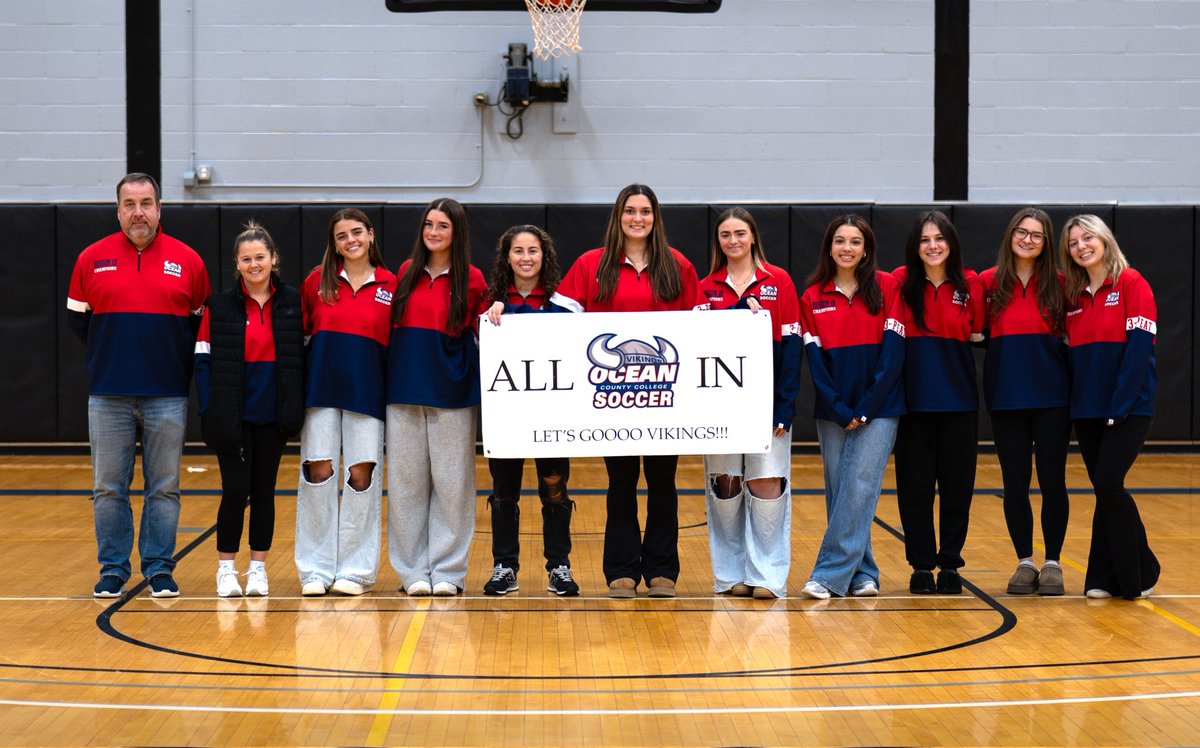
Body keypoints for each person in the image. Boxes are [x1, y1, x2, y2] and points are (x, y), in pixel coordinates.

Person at [66, 173, 211, 598]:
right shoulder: (90, 259)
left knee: (163, 486)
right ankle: (113, 568)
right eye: (129, 204)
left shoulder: (189, 261)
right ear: (118, 210)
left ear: (160, 208)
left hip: (167, 393)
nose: (138, 212)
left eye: (146, 203)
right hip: (108, 393)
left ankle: (159, 568)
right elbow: (79, 320)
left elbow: (198, 322)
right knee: (108, 486)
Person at [556, 183, 701, 599]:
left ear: (656, 218)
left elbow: (702, 328)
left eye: (646, 211)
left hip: (664, 398)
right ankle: (620, 569)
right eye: (630, 211)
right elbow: (556, 321)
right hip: (612, 398)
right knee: (620, 482)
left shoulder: (678, 266)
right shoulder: (591, 265)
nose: (638, 218)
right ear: (618, 216)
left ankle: (661, 571)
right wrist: (502, 312)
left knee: (662, 481)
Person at [694, 208, 802, 600]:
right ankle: (729, 574)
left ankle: (767, 575)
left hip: (767, 407)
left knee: (767, 484)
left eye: (740, 233)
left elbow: (791, 349)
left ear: (753, 236)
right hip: (719, 409)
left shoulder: (780, 282)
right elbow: (697, 347)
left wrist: (784, 407)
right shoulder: (704, 287)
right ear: (718, 241)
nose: (733, 241)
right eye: (725, 234)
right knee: (726, 486)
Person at [194, 222, 304, 598]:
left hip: (273, 414)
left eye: (260, 257)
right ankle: (226, 568)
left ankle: (258, 569)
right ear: (237, 264)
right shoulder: (219, 306)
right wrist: (211, 409)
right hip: (232, 415)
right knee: (235, 490)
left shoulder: (292, 302)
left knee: (264, 491)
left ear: (273, 260)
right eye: (246, 259)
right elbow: (203, 359)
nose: (254, 264)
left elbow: (301, 355)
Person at [798, 214, 904, 599]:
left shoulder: (888, 286)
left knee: (859, 483)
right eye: (839, 241)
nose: (847, 248)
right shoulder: (812, 296)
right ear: (829, 247)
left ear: (866, 249)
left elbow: (893, 355)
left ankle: (828, 576)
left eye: (855, 241)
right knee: (841, 490)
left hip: (881, 407)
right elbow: (816, 361)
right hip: (834, 412)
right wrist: (839, 407)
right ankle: (864, 573)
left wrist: (866, 406)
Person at [387, 198, 489, 597]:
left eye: (442, 226)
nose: (433, 232)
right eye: (429, 224)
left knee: (452, 486)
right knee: (406, 486)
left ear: (456, 232)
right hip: (404, 391)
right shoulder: (406, 273)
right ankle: (411, 571)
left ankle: (448, 571)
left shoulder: (475, 279)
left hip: (453, 393)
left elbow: (485, 331)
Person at [1060, 215, 1159, 600]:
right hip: (1087, 409)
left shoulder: (1132, 283)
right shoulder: (1073, 294)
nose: (1082, 246)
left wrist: (1120, 405)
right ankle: (1102, 576)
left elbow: (1138, 351)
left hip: (1128, 408)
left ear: (1104, 239)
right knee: (1104, 491)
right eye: (1073, 243)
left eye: (1088, 237)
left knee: (1108, 484)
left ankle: (1143, 570)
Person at [297, 208, 395, 596]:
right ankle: (316, 569)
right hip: (320, 392)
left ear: (370, 235)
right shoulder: (314, 283)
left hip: (369, 393)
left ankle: (355, 570)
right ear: (333, 242)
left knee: (361, 478)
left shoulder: (392, 283)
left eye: (356, 232)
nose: (350, 240)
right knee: (318, 473)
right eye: (341, 236)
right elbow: (301, 339)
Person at [481, 225, 578, 597]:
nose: (525, 258)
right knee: (504, 492)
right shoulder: (490, 305)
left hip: (552, 416)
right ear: (507, 257)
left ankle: (559, 566)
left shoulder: (564, 306)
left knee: (555, 489)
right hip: (506, 417)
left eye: (533, 251)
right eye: (518, 251)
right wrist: (490, 320)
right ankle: (505, 566)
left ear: (544, 256)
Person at [979, 208, 1071, 596]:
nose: (1028, 239)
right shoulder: (987, 283)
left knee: (1052, 481)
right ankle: (1024, 562)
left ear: (1047, 242)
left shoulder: (1063, 284)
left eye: (1037, 234)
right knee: (1015, 483)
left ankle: (1052, 562)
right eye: (1022, 232)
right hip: (1006, 399)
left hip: (1053, 398)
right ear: (1010, 235)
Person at [892, 211, 984, 595]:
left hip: (959, 404)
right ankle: (920, 565)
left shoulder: (972, 283)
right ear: (916, 246)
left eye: (940, 238)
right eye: (925, 239)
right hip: (912, 404)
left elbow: (978, 334)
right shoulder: (899, 281)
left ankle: (949, 563)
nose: (933, 246)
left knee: (957, 490)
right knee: (914, 489)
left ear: (952, 243)